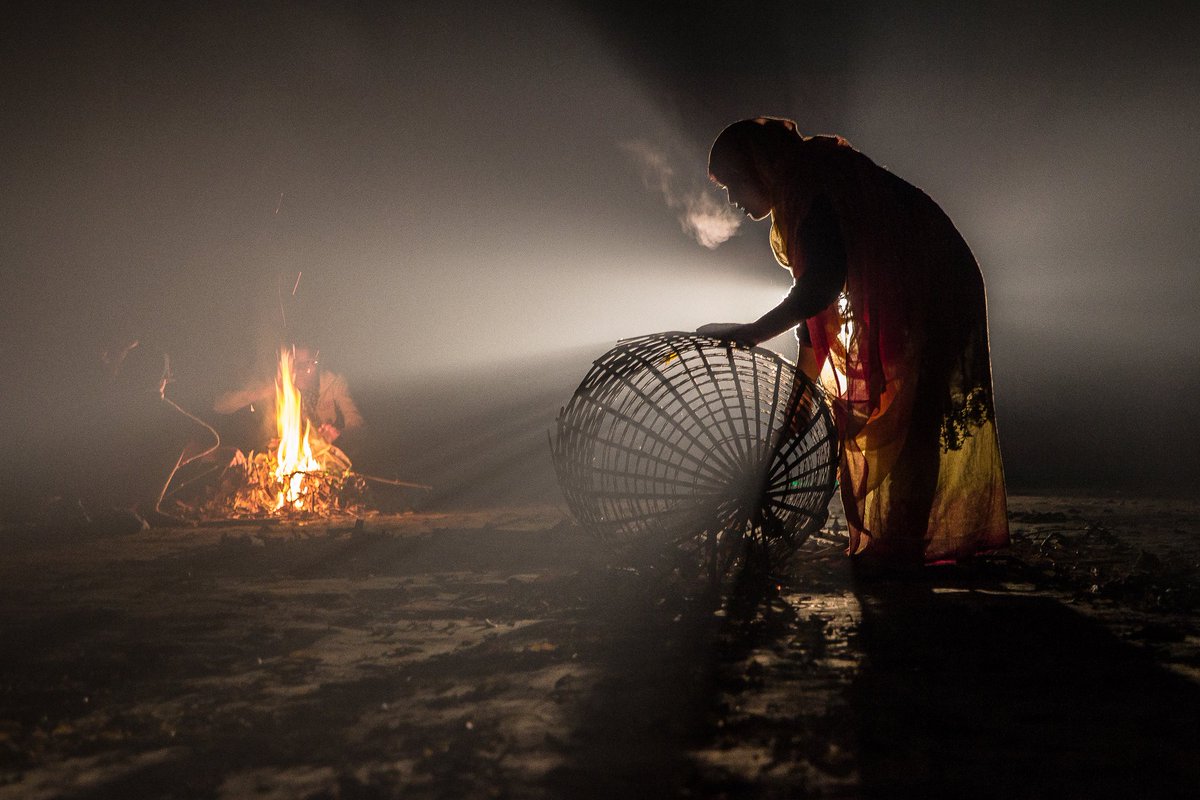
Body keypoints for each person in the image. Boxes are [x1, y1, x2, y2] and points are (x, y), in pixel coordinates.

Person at [700, 117, 1008, 567]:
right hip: (922, 281)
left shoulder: (808, 184)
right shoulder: (802, 186)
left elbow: (820, 287)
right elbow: (814, 313)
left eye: (734, 183)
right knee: (912, 417)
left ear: (760, 166)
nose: (732, 200)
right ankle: (901, 545)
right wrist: (799, 407)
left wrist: (751, 333)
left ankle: (901, 549)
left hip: (934, 284)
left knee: (915, 420)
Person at [214, 344, 364, 452]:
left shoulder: (334, 383)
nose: (303, 371)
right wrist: (265, 391)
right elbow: (220, 406)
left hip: (327, 457)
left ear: (317, 363)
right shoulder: (282, 386)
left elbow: (358, 426)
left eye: (309, 363)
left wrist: (338, 435)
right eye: (296, 365)